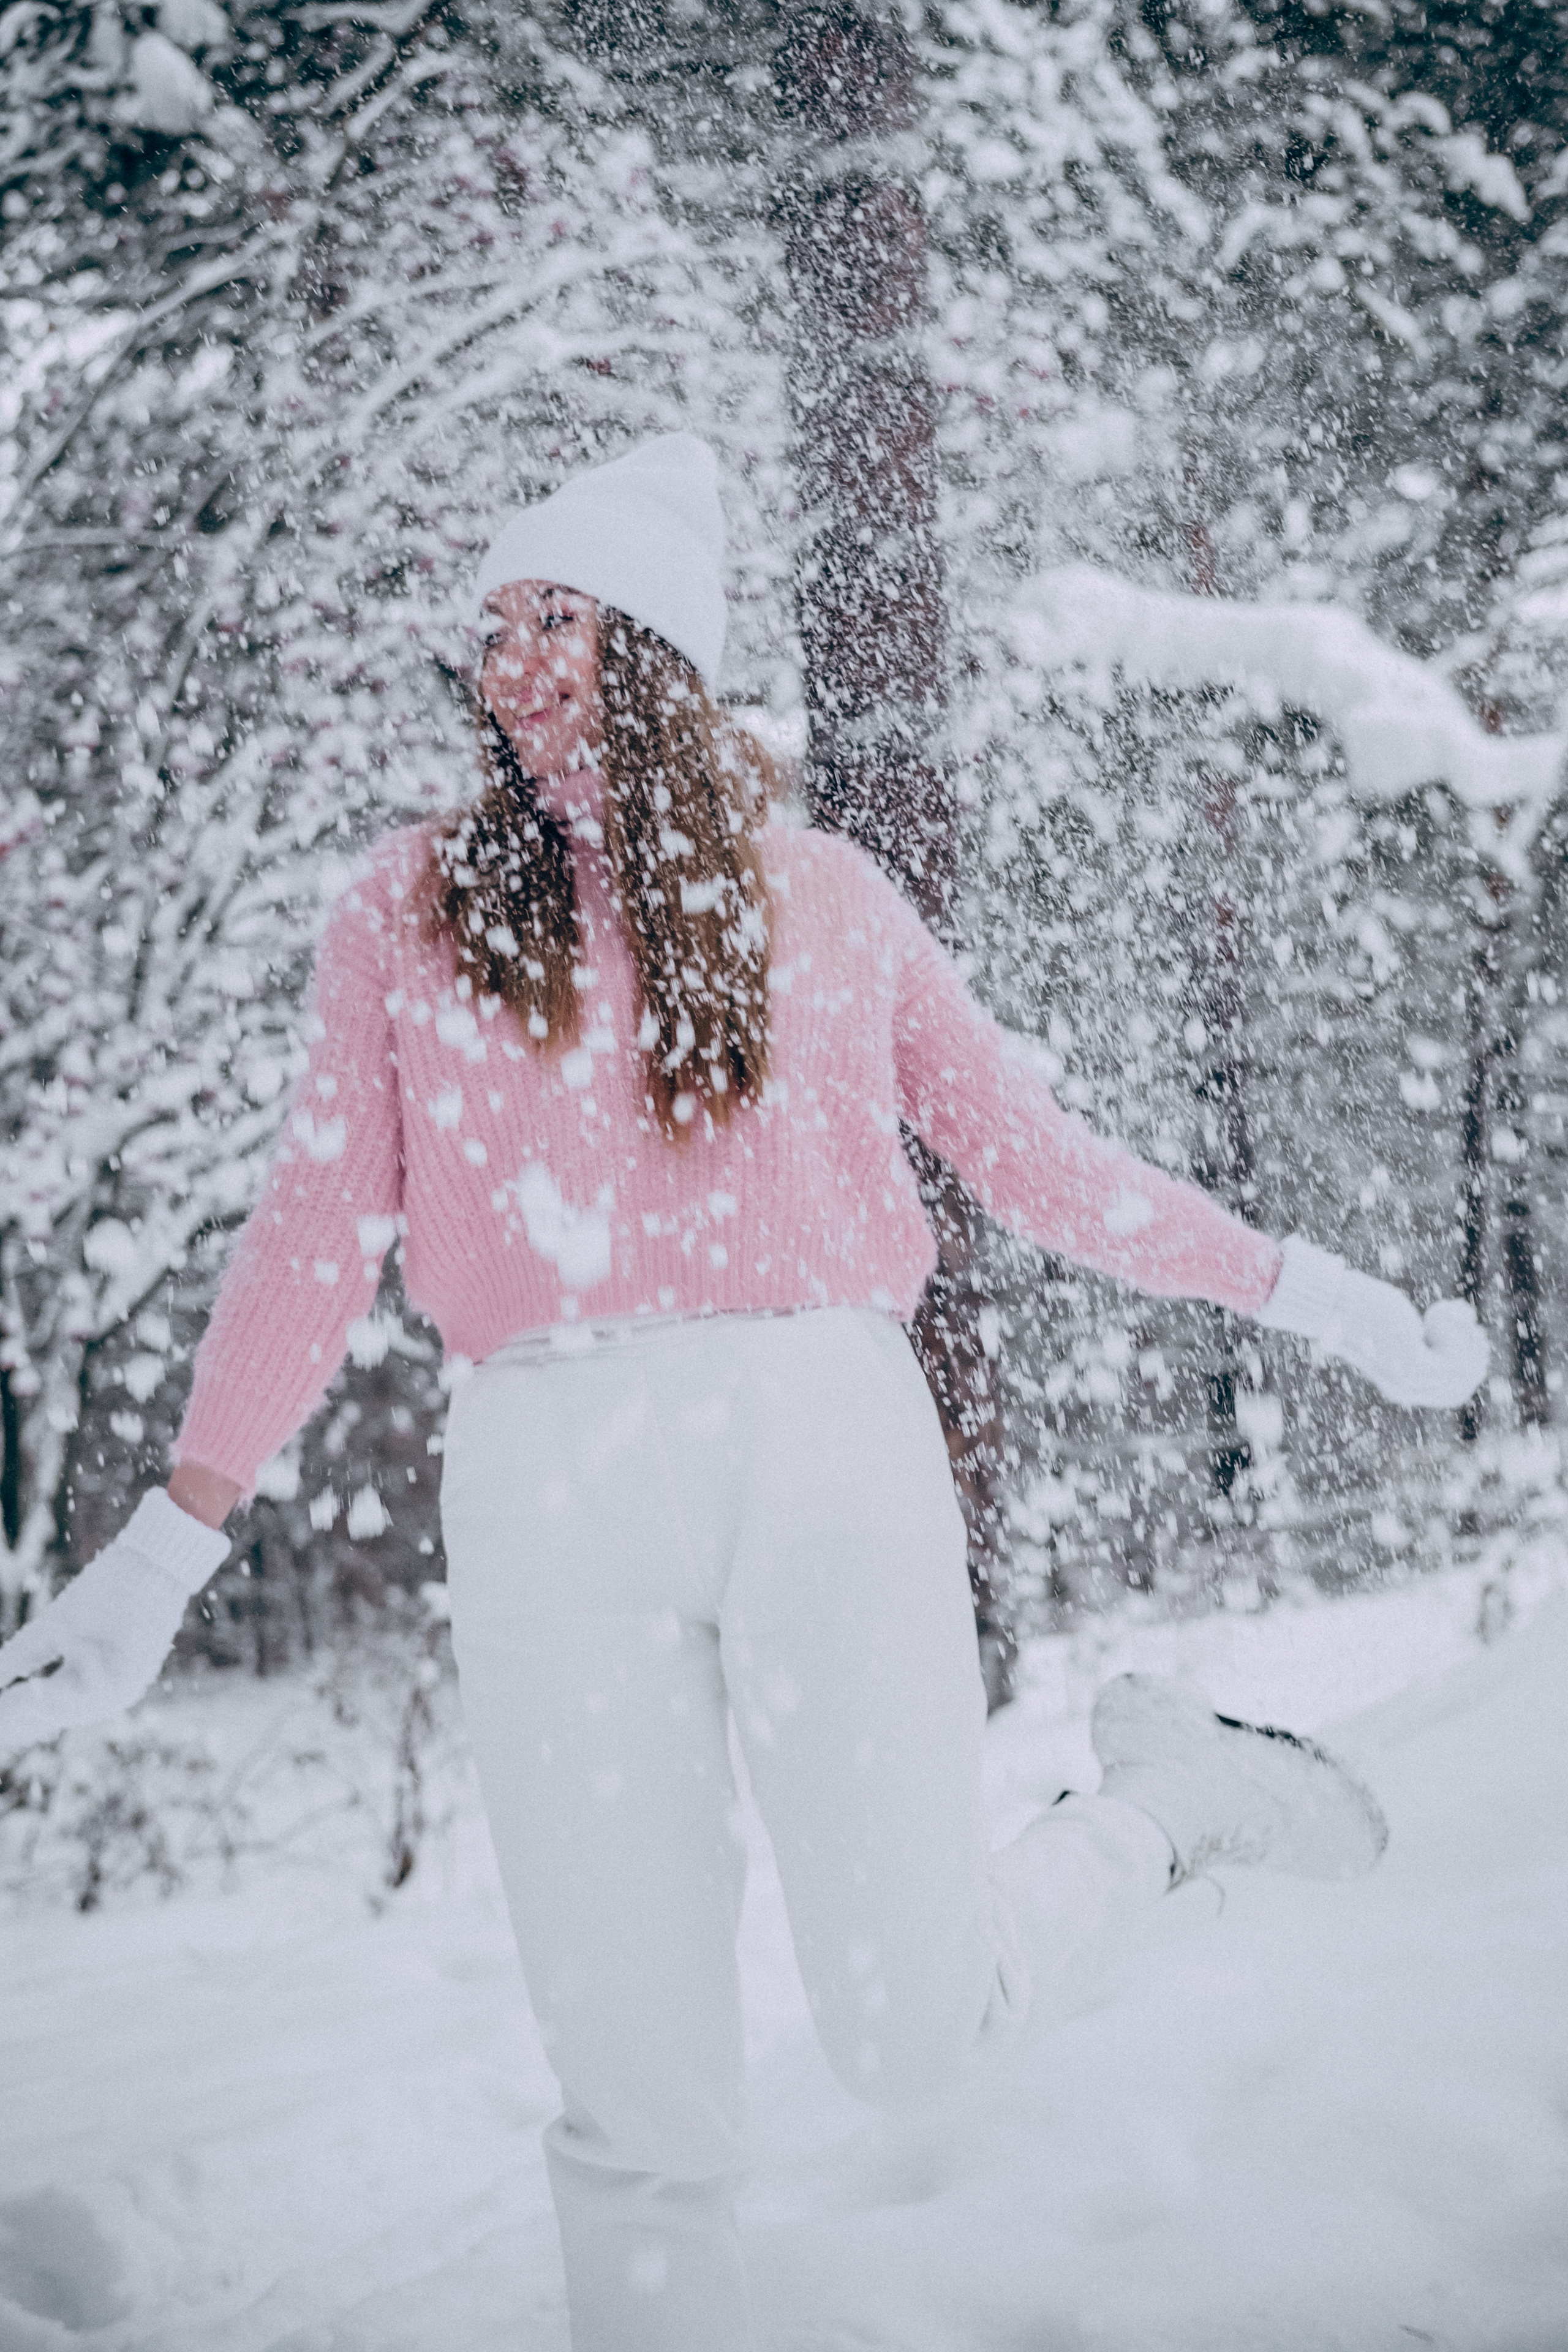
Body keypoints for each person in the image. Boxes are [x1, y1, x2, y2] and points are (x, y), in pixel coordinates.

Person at [0, 435, 1488, 2351]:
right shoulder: (405, 913)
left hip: (822, 1447)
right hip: (543, 1475)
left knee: (913, 2038)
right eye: (496, 632)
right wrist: (165, 1545)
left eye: (558, 623)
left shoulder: (830, 902)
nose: (512, 667)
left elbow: (1042, 1166)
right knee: (638, 2100)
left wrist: (1307, 1289)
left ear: (657, 652)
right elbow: (312, 1230)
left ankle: (1176, 1808)